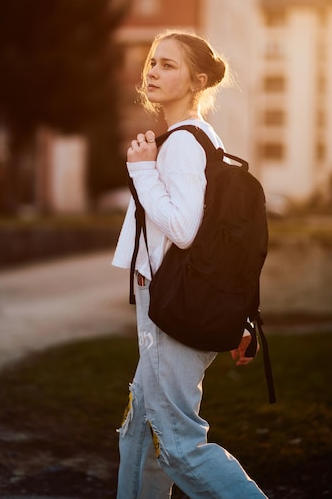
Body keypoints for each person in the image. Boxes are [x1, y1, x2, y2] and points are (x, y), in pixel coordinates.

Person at [112, 29, 268, 499]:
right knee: (140, 433)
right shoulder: (202, 137)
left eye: (169, 65)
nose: (154, 71)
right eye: (153, 62)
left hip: (170, 303)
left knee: (178, 444)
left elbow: (183, 229)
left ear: (197, 81)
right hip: (176, 297)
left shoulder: (180, 143)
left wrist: (141, 169)